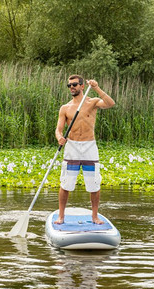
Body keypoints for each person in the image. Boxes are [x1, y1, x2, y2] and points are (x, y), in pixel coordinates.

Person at [54, 75, 115, 224]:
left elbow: (110, 103)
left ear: (82, 86)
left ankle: (94, 216)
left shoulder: (92, 102)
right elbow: (58, 129)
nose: (72, 87)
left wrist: (96, 88)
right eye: (69, 85)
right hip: (72, 147)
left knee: (94, 183)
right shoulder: (65, 108)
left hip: (89, 147)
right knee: (66, 183)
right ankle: (61, 216)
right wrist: (59, 137)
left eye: (74, 84)